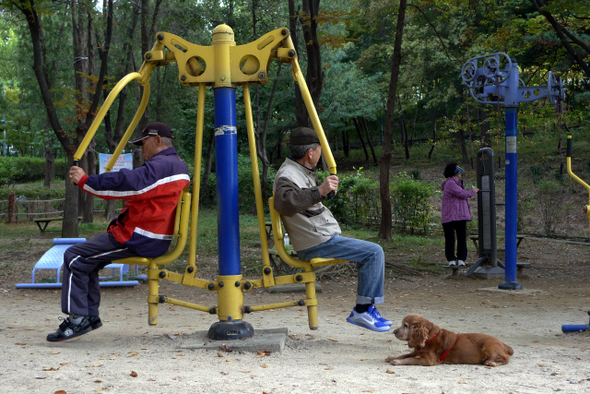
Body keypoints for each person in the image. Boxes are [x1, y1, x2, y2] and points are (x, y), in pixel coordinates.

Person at [47, 122, 190, 342]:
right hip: (148, 234)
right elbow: (141, 192)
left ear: (158, 140)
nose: (143, 149)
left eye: (144, 143)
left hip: (140, 236)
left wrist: (86, 181)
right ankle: (88, 316)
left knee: (74, 256)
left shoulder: (162, 166)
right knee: (86, 261)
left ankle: (77, 320)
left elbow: (128, 182)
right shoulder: (176, 165)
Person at [273, 127, 391, 332]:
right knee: (374, 252)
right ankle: (362, 310)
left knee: (371, 252)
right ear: (311, 152)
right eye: (320, 150)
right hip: (315, 243)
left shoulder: (300, 171)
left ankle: (368, 308)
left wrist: (321, 191)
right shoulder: (288, 174)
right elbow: (284, 202)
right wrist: (320, 190)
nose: (322, 155)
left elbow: (305, 200)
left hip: (319, 237)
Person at [441, 163, 479, 269]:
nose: (461, 173)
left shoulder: (457, 183)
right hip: (450, 216)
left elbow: (461, 193)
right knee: (451, 238)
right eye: (458, 171)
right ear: (455, 173)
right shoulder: (450, 183)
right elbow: (462, 194)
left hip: (459, 215)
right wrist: (474, 191)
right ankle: (452, 260)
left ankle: (461, 259)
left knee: (461, 238)